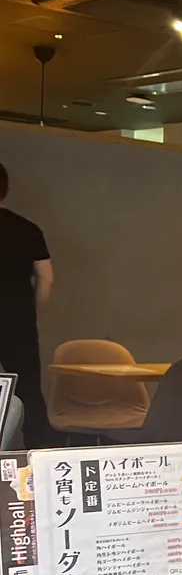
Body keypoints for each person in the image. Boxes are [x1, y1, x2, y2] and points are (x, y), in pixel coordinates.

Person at [0, 163, 52, 446]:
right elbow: (46, 278)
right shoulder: (27, 228)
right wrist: (34, 311)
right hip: (18, 319)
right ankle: (42, 456)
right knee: (29, 391)